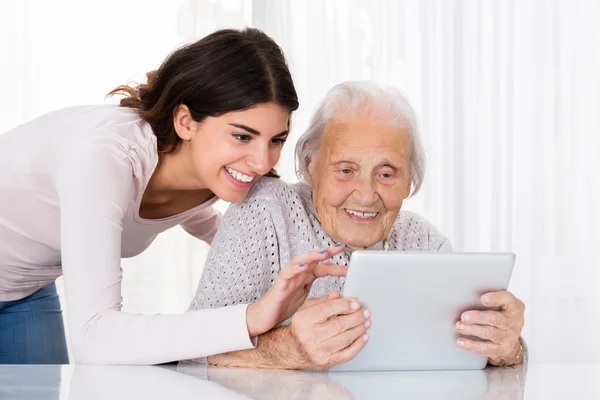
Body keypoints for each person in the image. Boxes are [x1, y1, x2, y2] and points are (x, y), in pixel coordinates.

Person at [0, 28, 348, 365]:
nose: (262, 162)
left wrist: (289, 273)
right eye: (242, 136)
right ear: (185, 121)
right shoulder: (104, 159)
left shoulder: (205, 176)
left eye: (276, 140)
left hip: (24, 290)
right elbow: (94, 337)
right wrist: (248, 319)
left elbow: (213, 226)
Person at [188, 81, 527, 370]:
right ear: (310, 167)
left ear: (410, 180)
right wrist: (288, 348)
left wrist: (508, 348)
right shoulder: (265, 210)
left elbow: (464, 355)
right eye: (345, 170)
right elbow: (190, 350)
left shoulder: (423, 241)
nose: (366, 195)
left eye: (386, 173)